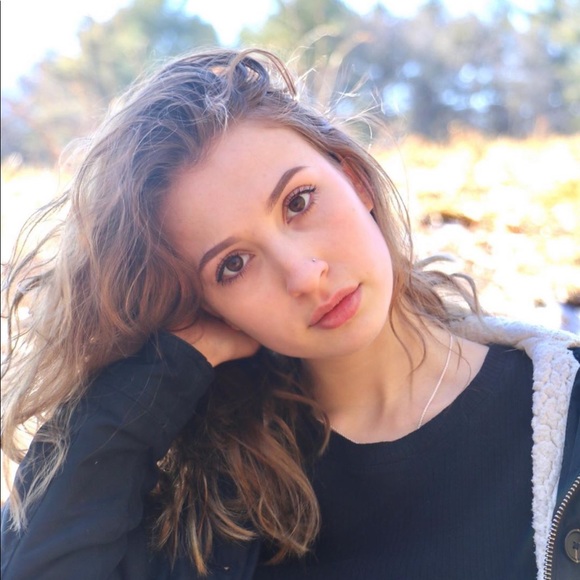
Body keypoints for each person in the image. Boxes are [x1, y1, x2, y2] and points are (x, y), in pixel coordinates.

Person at [1, 47, 578, 580]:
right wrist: (146, 386)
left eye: (299, 202)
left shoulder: (565, 413)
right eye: (233, 265)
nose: (303, 275)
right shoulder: (203, 501)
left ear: (354, 179)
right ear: (209, 308)